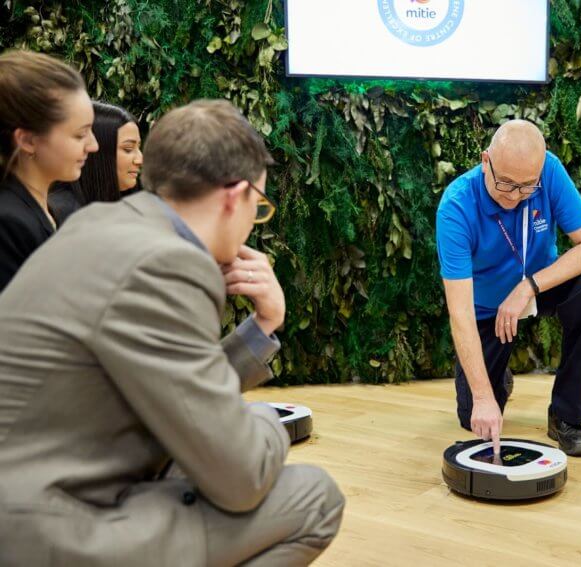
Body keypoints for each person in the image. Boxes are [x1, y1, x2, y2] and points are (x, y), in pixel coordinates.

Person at [0, 99, 344, 566]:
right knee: (313, 499)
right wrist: (264, 422)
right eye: (258, 206)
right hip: (47, 532)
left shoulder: (101, 224)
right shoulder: (169, 263)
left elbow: (181, 392)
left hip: (37, 490)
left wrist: (263, 326)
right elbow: (240, 477)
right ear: (234, 196)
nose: (252, 222)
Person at [436, 119, 581, 457]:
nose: (515, 196)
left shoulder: (549, 171)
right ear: (485, 160)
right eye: (505, 183)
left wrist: (528, 287)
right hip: (487, 307)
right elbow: (459, 312)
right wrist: (484, 398)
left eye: (527, 187)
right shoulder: (456, 207)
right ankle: (497, 381)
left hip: (539, 285)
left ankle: (567, 416)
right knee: (473, 417)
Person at [0, 49, 99, 292]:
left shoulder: (48, 210)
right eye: (79, 135)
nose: (93, 145)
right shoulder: (8, 224)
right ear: (28, 141)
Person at [50, 101, 143, 221]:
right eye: (128, 149)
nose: (139, 159)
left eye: (139, 147)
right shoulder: (60, 216)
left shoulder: (129, 207)